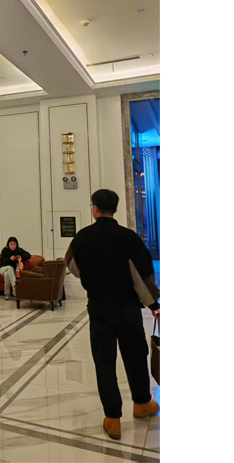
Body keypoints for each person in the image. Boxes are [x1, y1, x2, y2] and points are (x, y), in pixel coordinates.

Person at [65, 189, 160, 441]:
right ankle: (142, 404)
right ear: (114, 209)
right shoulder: (128, 237)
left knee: (104, 362)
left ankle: (113, 419)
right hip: (127, 307)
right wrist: (154, 304)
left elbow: (71, 265)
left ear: (95, 208)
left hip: (99, 306)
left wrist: (92, 277)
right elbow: (142, 276)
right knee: (136, 355)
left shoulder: (82, 237)